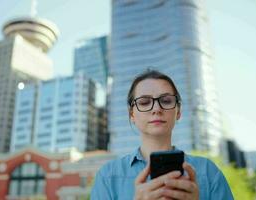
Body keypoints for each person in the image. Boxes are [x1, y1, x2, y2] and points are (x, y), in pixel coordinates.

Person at [90, 70, 234, 200]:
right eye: (145, 102)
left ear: (178, 111)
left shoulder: (208, 172)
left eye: (166, 101)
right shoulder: (108, 176)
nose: (157, 109)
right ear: (131, 114)